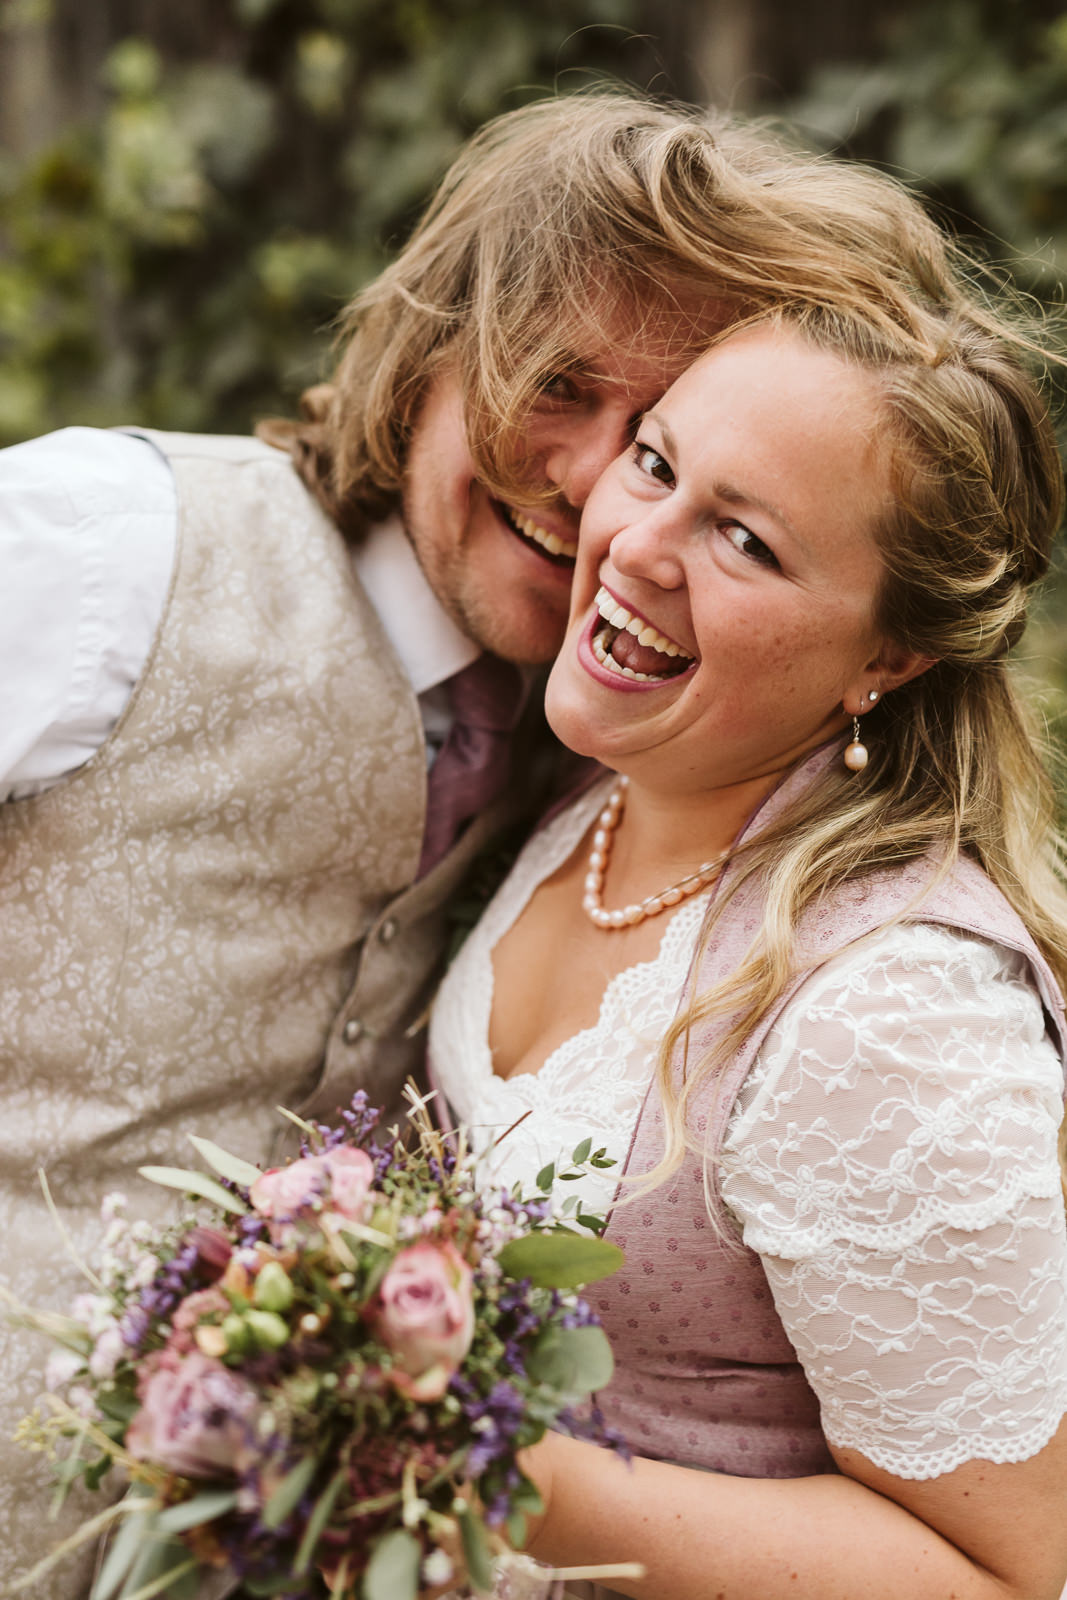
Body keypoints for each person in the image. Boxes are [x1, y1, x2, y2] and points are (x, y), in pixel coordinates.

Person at [1, 93, 994, 1596]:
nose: (600, 490)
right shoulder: (104, 541)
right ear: (429, 344)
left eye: (658, 439)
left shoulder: (632, 751)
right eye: (561, 388)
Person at [429, 299, 1067, 1599]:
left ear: (887, 652)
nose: (636, 547)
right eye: (656, 463)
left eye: (745, 539)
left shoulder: (890, 1012)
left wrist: (506, 1473)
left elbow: (1017, 1575)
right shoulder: (603, 787)